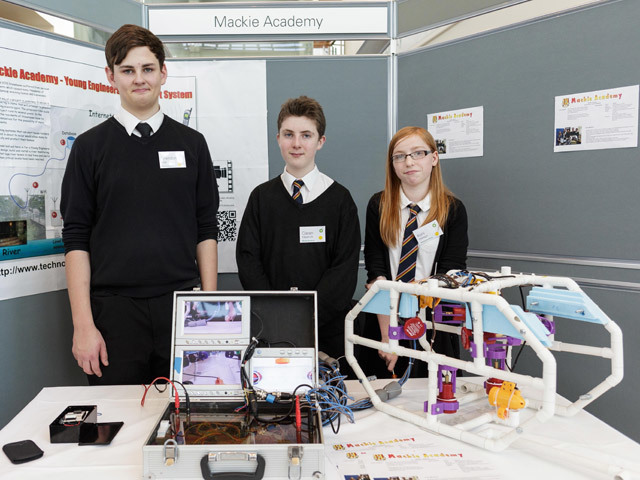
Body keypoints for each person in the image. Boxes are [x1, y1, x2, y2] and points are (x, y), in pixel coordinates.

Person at [61, 24, 219, 385]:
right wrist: (83, 326)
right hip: (113, 315)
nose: (139, 79)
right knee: (116, 429)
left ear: (163, 72)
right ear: (110, 76)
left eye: (147, 69)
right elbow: (76, 238)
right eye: (127, 70)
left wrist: (210, 312)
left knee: (187, 423)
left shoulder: (193, 144)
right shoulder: (89, 149)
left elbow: (206, 228)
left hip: (183, 310)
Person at [236, 96, 360, 361]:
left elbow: (344, 269)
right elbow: (248, 260)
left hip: (327, 331)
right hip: (269, 329)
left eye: (306, 135)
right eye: (288, 134)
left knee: (325, 400)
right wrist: (276, 313)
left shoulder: (340, 200)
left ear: (320, 141)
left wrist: (309, 315)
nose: (296, 144)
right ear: (278, 138)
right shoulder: (261, 198)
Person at [364, 126, 468, 375]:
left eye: (417, 153)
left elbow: (450, 273)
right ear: (393, 164)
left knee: (435, 394)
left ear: (434, 158)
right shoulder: (378, 205)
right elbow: (376, 272)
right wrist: (389, 336)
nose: (408, 161)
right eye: (400, 156)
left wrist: (418, 320)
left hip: (434, 325)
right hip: (385, 319)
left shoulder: (452, 210)